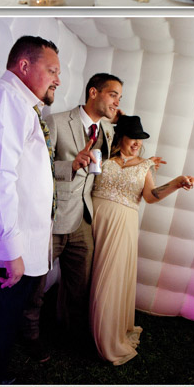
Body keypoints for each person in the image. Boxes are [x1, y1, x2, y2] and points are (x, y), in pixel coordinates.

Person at [89, 115, 194, 365]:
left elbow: (151, 197)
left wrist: (175, 183)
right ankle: (80, 328)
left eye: (140, 140)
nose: (137, 144)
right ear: (120, 136)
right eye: (133, 137)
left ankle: (107, 335)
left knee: (108, 279)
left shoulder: (144, 166)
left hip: (122, 226)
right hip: (93, 220)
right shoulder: (103, 155)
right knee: (85, 275)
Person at [0, 35, 59, 385]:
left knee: (5, 325)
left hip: (23, 245)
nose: (58, 78)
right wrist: (10, 251)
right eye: (52, 70)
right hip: (7, 254)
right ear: (24, 66)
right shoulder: (5, 98)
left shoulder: (22, 105)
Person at [23, 73, 121, 361]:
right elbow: (34, 168)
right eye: (113, 94)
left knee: (80, 286)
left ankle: (71, 334)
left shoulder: (108, 131)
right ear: (93, 92)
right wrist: (70, 165)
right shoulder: (56, 121)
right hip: (52, 218)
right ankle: (30, 336)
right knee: (36, 285)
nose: (116, 101)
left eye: (119, 98)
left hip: (84, 219)